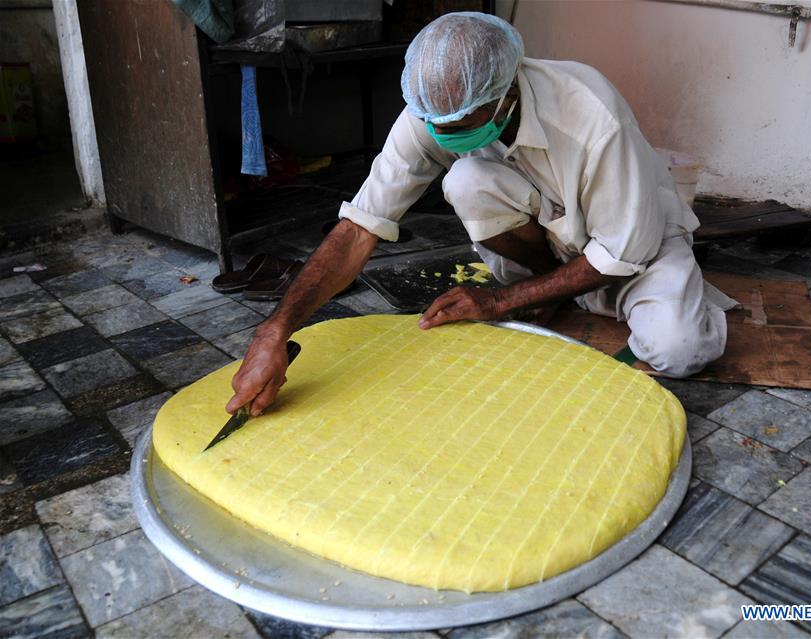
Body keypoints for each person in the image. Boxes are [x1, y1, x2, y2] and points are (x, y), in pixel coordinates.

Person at [226, 12, 735, 417]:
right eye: (433, 122)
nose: (440, 134)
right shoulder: (432, 109)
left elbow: (622, 250)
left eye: (459, 122)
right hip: (556, 243)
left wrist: (498, 301)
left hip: (635, 245)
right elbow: (360, 226)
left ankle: (602, 296)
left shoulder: (591, 116)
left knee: (679, 348)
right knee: (466, 180)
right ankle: (553, 294)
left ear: (506, 95)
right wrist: (275, 331)